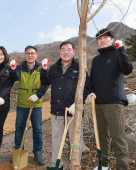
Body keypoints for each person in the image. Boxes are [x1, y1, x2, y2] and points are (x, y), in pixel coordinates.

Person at [40, 41, 91, 170]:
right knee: (56, 140)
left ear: (73, 52)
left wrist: (77, 104)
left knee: (76, 141)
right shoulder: (54, 68)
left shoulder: (80, 67)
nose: (66, 52)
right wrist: (44, 69)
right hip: (57, 111)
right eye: (63, 49)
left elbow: (87, 86)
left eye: (69, 49)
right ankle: (57, 166)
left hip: (75, 111)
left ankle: (74, 165)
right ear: (60, 52)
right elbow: (45, 81)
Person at [89, 28, 133, 170]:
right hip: (98, 104)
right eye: (99, 38)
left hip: (114, 103)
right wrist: (91, 92)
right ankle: (104, 165)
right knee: (102, 137)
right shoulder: (96, 60)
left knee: (118, 137)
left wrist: (121, 50)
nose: (102, 40)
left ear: (112, 39)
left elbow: (127, 69)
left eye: (105, 37)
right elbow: (92, 81)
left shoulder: (117, 53)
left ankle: (121, 167)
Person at [9, 45, 48, 166]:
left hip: (36, 104)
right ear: (25, 55)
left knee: (37, 129)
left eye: (32, 53)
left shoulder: (41, 68)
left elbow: (45, 84)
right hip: (22, 103)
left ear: (36, 55)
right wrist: (12, 69)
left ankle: (37, 152)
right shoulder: (20, 67)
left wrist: (38, 95)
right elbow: (14, 78)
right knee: (19, 128)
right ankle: (18, 150)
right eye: (28, 53)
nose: (30, 55)